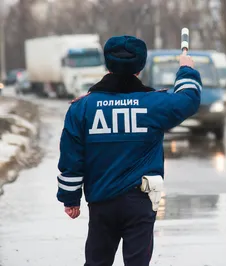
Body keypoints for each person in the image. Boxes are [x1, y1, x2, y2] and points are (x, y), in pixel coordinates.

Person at [56, 35, 202, 266]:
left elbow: (72, 157)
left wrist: (70, 198)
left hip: (101, 202)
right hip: (140, 202)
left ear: (107, 63)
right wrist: (186, 69)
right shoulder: (154, 104)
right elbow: (189, 99)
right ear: (141, 65)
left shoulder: (82, 107)